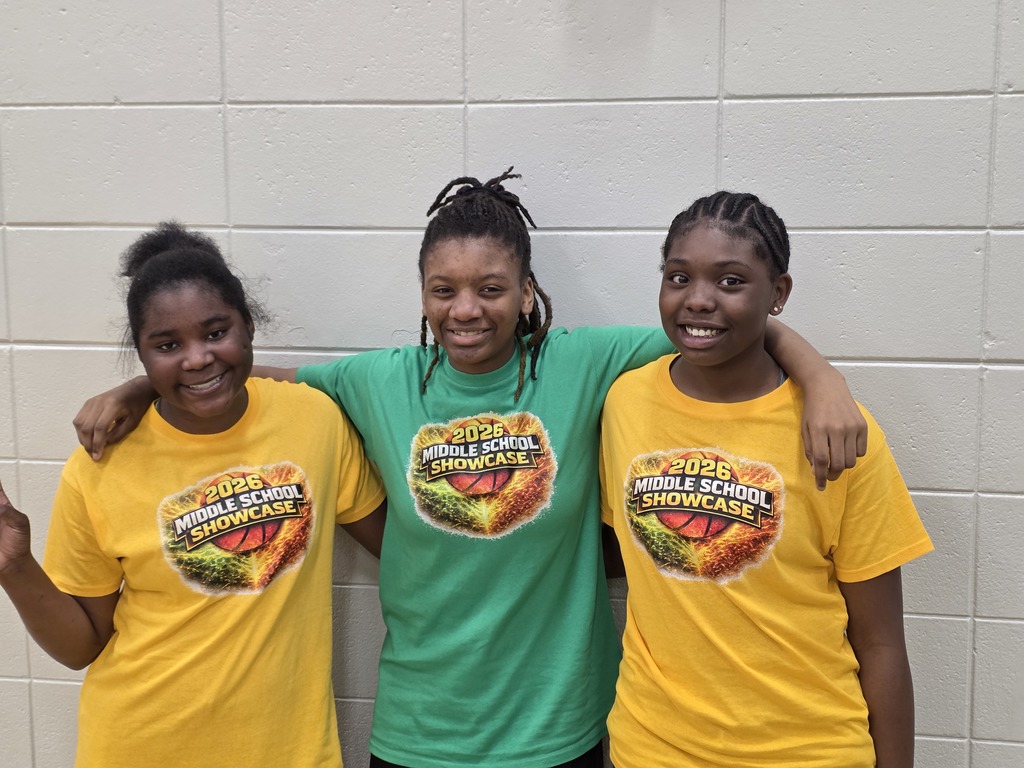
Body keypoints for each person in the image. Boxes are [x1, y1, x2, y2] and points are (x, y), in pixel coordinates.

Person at [72, 171, 867, 768]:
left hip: (563, 727)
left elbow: (718, 327)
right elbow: (227, 374)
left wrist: (820, 376)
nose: (465, 309)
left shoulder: (584, 362)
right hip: (421, 733)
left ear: (527, 293)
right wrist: (141, 383)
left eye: (491, 289)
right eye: (443, 289)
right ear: (421, 296)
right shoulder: (375, 381)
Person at [0, 223, 387, 768]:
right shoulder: (98, 467)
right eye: (167, 345)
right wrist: (14, 566)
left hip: (288, 751)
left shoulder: (313, 421)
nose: (197, 358)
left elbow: (401, 551)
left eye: (215, 332)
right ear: (140, 353)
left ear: (248, 326)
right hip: (140, 746)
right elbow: (80, 646)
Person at [599, 191, 934, 767]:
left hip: (807, 750)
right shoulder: (625, 403)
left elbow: (880, 643)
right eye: (678, 277)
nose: (698, 300)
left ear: (778, 294)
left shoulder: (840, 433)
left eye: (731, 281)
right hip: (653, 748)